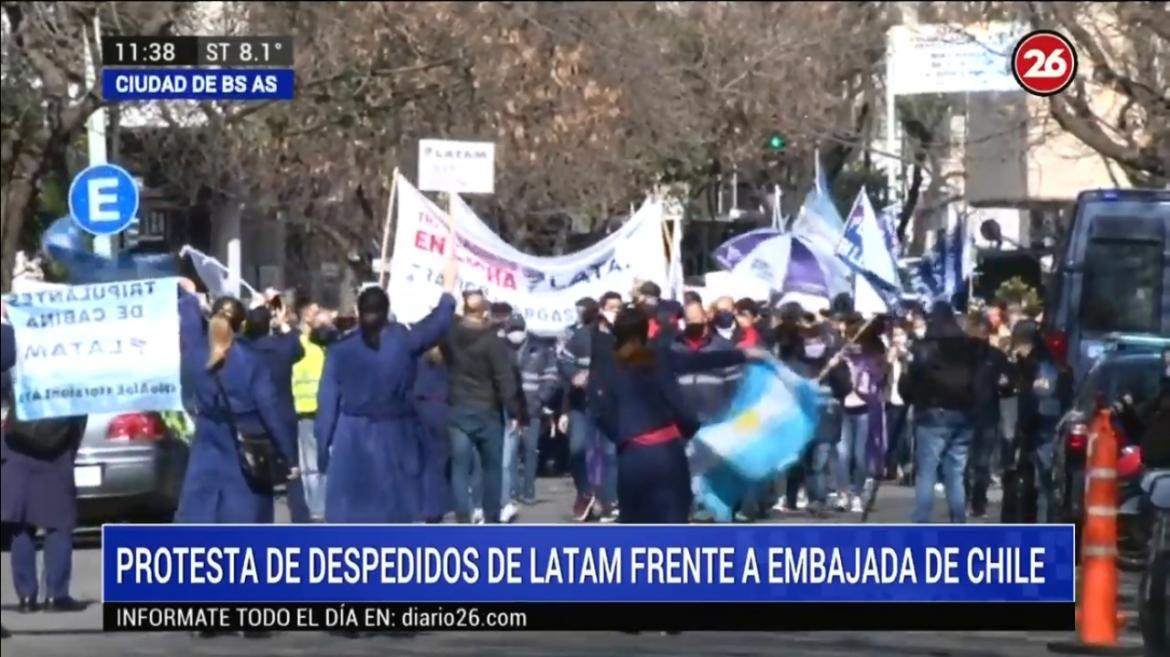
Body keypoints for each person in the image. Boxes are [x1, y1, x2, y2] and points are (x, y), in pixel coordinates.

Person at [589, 304, 765, 523]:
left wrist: (622, 436)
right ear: (645, 331)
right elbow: (699, 361)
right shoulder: (659, 357)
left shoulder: (607, 366)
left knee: (635, 527)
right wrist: (743, 354)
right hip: (668, 452)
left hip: (632, 455)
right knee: (673, 524)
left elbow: (599, 411)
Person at [175, 281, 298, 529]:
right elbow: (270, 412)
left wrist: (188, 296)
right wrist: (289, 456)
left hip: (206, 443)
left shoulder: (195, 354)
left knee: (202, 518)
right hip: (245, 446)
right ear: (242, 325)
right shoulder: (252, 361)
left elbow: (188, 325)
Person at [1, 314, 86, 615]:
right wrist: (71, 450)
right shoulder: (71, 368)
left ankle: (26, 597)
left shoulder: (17, 361)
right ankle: (57, 595)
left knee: (21, 526)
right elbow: (80, 415)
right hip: (57, 454)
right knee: (58, 525)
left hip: (17, 451)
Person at [442, 289, 528, 524]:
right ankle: (491, 518)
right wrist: (513, 410)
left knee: (460, 468)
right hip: (487, 411)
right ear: (484, 311)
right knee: (492, 469)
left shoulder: (451, 334)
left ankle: (463, 517)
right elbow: (504, 378)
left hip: (459, 408)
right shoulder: (493, 341)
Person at [900, 301, 989, 523]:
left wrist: (909, 392)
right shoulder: (971, 347)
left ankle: (922, 520)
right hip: (963, 414)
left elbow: (911, 383)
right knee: (955, 473)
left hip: (932, 413)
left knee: (927, 472)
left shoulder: (924, 347)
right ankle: (958, 520)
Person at [242, 304, 307, 522]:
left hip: (254, 418)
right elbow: (300, 348)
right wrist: (284, 323)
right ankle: (300, 518)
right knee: (293, 472)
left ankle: (259, 520)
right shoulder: (282, 347)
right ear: (270, 324)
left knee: (256, 474)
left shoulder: (245, 349)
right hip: (284, 415)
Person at [1010, 319, 1072, 524]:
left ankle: (1044, 529)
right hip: (1039, 431)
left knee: (1045, 486)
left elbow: (1042, 401)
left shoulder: (1043, 366)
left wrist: (1025, 427)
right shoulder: (1041, 364)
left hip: (1043, 433)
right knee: (1039, 487)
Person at [826, 314, 889, 513]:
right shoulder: (841, 355)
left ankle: (858, 494)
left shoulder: (870, 359)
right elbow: (828, 374)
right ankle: (843, 493)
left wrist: (868, 366)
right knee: (843, 454)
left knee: (860, 455)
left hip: (864, 408)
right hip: (843, 407)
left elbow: (879, 377)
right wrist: (836, 361)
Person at [503, 314, 560, 516]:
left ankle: (528, 491)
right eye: (511, 330)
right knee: (509, 454)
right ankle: (510, 492)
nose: (515, 334)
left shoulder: (541, 348)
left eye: (518, 329)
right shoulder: (502, 348)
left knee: (530, 450)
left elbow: (551, 377)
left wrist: (540, 400)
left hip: (532, 408)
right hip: (509, 409)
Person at [557, 297, 605, 520]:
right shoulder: (579, 336)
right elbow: (564, 362)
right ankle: (585, 492)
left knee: (608, 454)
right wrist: (574, 375)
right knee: (577, 450)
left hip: (607, 406)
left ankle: (608, 499)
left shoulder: (616, 337)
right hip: (581, 405)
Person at [964, 313, 1014, 518]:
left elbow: (1009, 382)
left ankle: (977, 502)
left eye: (983, 334)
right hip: (967, 415)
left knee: (979, 464)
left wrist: (1005, 385)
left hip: (985, 417)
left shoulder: (995, 356)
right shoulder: (964, 355)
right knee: (968, 465)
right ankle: (969, 501)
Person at [290, 307, 336, 522]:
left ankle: (316, 509)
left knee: (310, 464)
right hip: (317, 411)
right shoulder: (334, 348)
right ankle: (321, 508)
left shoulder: (301, 345)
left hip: (306, 409)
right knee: (322, 461)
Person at [413, 346, 451, 523]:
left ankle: (422, 507)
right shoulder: (450, 361)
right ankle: (435, 508)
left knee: (421, 460)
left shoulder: (418, 359)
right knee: (438, 462)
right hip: (442, 410)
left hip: (420, 408)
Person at [885, 320, 914, 485]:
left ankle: (907, 468)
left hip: (906, 398)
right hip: (892, 397)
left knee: (906, 436)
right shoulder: (890, 352)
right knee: (892, 434)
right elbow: (885, 369)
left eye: (900, 334)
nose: (897, 338)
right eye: (894, 335)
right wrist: (891, 356)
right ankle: (891, 467)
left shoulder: (910, 352)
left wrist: (905, 355)